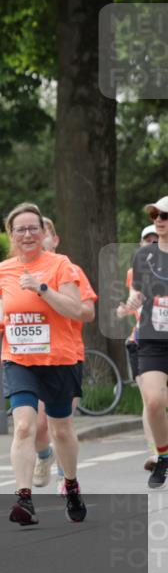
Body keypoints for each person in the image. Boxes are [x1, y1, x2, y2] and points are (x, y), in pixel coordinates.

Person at [0, 202, 89, 525]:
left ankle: (71, 485)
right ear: (11, 234)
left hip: (58, 359)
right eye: (21, 229)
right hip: (19, 359)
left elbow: (78, 310)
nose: (28, 234)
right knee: (23, 427)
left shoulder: (61, 265)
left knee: (61, 430)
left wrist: (43, 289)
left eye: (34, 228)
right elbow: (6, 303)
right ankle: (24, 498)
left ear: (44, 232)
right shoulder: (5, 269)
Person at [29, 217, 96, 493]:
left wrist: (54, 298)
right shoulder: (20, 271)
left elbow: (88, 312)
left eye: (44, 233)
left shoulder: (71, 270)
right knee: (37, 425)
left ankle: (65, 477)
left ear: (54, 240)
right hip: (33, 357)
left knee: (60, 424)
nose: (38, 238)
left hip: (67, 355)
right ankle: (44, 455)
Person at [123, 195, 168, 489]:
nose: (158, 221)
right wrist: (133, 300)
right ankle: (163, 456)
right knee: (152, 401)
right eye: (155, 215)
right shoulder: (143, 256)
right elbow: (137, 290)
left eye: (164, 216)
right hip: (153, 337)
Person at [117, 224, 159, 472]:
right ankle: (156, 453)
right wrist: (125, 309)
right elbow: (134, 300)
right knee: (149, 400)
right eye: (147, 240)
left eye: (157, 239)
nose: (152, 244)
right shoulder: (135, 271)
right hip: (142, 341)